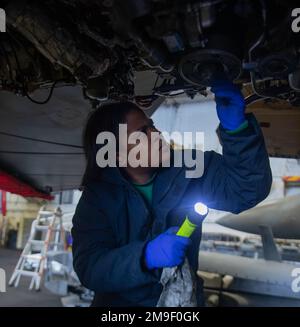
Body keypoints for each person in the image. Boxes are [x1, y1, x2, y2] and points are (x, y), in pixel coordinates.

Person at [71, 82, 272, 307]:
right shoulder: (96, 200)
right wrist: (145, 257)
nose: (156, 134)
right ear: (117, 154)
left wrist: (238, 130)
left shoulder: (190, 167)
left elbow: (247, 190)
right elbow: (90, 268)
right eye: (142, 132)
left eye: (152, 126)